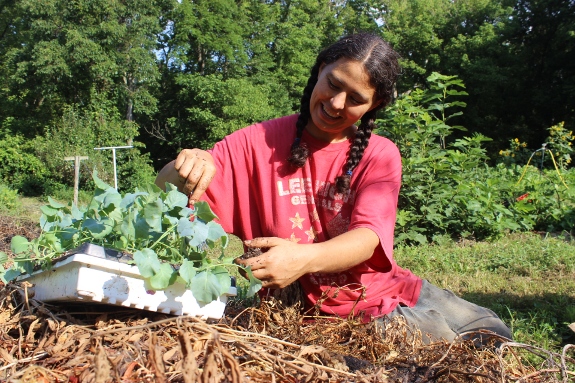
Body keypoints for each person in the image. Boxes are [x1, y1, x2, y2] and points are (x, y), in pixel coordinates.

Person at [155, 32, 512, 344]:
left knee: (493, 333)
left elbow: (369, 237)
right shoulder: (256, 142)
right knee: (449, 346)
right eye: (334, 83)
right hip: (333, 313)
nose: (336, 103)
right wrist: (185, 164)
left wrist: (303, 258)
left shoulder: (380, 154)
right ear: (320, 68)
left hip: (383, 287)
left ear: (376, 105)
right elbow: (166, 189)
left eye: (355, 98)